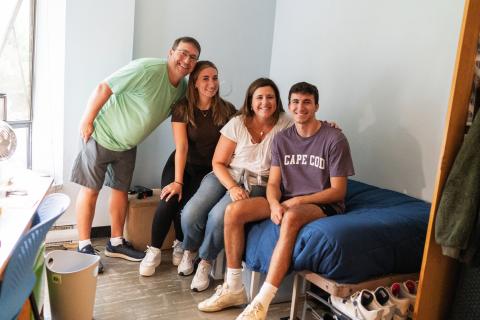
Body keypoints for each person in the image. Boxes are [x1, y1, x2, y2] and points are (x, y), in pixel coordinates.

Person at [197, 82, 355, 320]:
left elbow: (338, 191)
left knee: (290, 217)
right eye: (296, 102)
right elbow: (273, 183)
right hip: (286, 198)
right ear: (289, 106)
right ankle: (234, 288)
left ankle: (262, 301)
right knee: (233, 212)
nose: (300, 107)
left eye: (307, 102)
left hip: (322, 203)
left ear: (316, 106)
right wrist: (273, 204)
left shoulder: (334, 139)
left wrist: (297, 201)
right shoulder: (282, 138)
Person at [71, 36, 201, 273]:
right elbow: (104, 87)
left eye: (193, 57)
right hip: (102, 133)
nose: (186, 60)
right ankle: (84, 246)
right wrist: (87, 120)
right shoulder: (147, 68)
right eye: (183, 53)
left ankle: (116, 243)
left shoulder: (181, 89)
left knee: (121, 192)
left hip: (128, 144)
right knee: (91, 190)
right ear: (171, 52)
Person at [178, 78, 293, 292]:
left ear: (277, 101)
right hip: (227, 174)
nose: (265, 102)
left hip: (259, 182)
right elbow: (218, 162)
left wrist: (329, 126)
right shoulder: (238, 123)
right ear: (250, 101)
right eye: (259, 97)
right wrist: (232, 186)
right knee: (191, 213)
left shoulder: (286, 124)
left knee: (218, 216)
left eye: (270, 97)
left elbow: (310, 126)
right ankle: (190, 249)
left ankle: (205, 261)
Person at [139, 61, 236, 276]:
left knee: (189, 209)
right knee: (170, 199)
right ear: (194, 83)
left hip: (208, 172)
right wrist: (178, 181)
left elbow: (252, 121)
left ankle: (181, 244)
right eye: (206, 78)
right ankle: (154, 250)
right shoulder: (183, 108)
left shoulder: (227, 110)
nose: (212, 83)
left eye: (215, 77)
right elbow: (181, 147)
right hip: (181, 164)